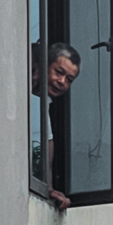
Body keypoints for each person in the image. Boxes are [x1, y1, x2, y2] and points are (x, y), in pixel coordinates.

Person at [32, 42, 81, 209]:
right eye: (59, 73)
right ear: (43, 67)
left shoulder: (43, 103)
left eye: (69, 79)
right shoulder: (26, 97)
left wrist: (48, 188)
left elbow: (48, 146)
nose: (62, 82)